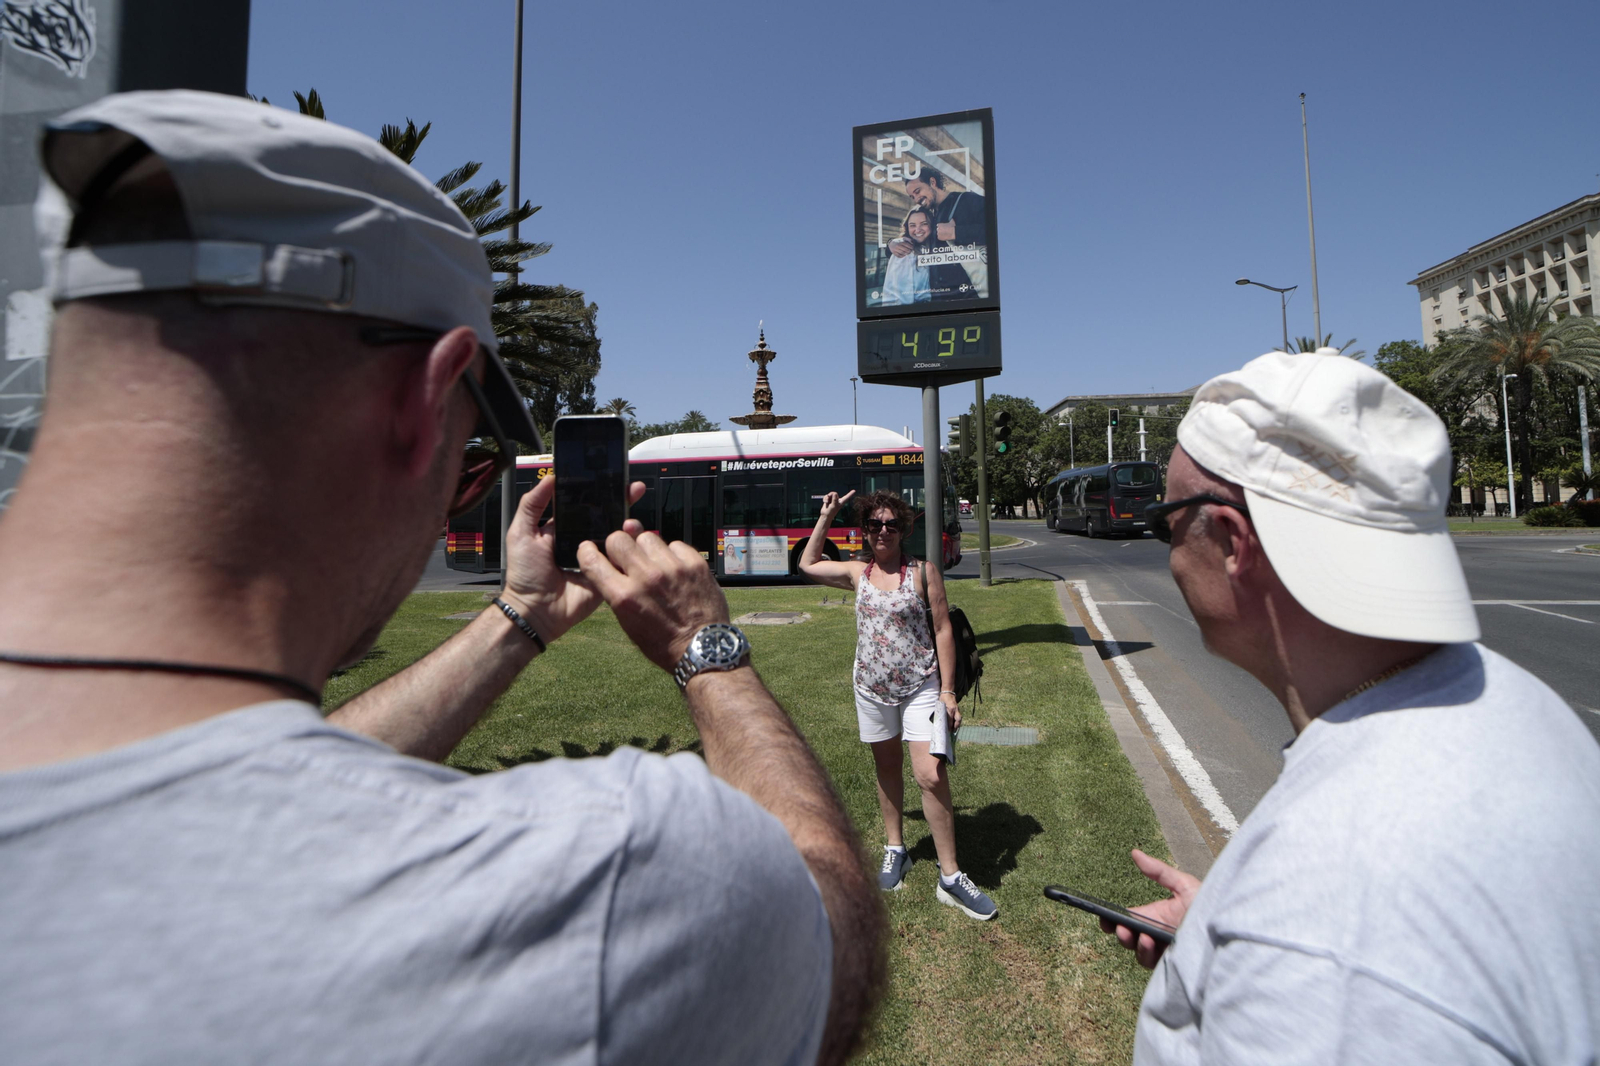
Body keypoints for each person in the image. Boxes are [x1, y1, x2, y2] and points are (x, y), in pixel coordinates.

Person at [0, 90, 884, 1065]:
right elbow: (825, 914)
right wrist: (704, 650)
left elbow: (235, 767)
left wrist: (519, 617)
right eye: (473, 460)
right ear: (423, 404)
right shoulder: (608, 877)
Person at [1099, 351, 1600, 1063]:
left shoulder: (1326, 926)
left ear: (1234, 542)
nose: (1170, 556)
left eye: (1165, 523)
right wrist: (1226, 920)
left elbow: (1346, 940)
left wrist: (1278, 928)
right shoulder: (1513, 699)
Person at [798, 489, 997, 921]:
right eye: (874, 524)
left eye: (891, 524)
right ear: (866, 531)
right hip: (871, 689)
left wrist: (946, 691)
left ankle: (950, 875)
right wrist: (826, 517)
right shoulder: (856, 572)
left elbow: (943, 628)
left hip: (921, 686)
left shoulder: (923, 572)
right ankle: (896, 849)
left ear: (904, 528)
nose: (883, 531)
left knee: (930, 772)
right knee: (886, 768)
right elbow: (807, 564)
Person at [890, 169, 987, 301]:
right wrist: (891, 244)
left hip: (971, 299)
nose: (916, 199)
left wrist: (956, 232)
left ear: (932, 182)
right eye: (912, 197)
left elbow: (997, 229)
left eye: (917, 191)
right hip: (941, 303)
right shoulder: (930, 216)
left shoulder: (966, 200)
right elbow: (915, 241)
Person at [878, 205, 933, 305]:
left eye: (924, 224)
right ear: (907, 228)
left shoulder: (934, 247)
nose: (917, 230)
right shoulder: (905, 251)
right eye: (912, 225)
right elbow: (901, 296)